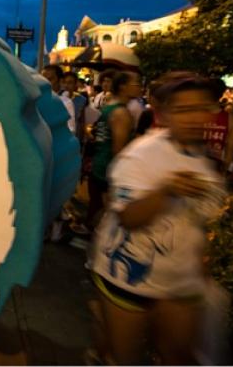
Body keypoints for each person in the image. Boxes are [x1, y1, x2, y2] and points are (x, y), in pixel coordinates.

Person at [89, 76, 225, 365]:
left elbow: (199, 221)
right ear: (165, 114)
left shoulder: (206, 158)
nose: (195, 117)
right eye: (183, 110)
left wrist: (204, 260)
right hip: (126, 278)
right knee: (126, 357)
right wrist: (167, 190)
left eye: (202, 108)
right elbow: (127, 217)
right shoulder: (141, 155)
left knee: (178, 356)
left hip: (180, 282)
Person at [85, 71, 141, 231]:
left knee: (97, 213)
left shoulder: (110, 107)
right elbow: (119, 150)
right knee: (107, 219)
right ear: (123, 87)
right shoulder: (121, 113)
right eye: (136, 84)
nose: (140, 87)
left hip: (100, 165)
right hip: (109, 171)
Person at [41, 65, 76, 134]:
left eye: (50, 79)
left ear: (60, 81)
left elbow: (71, 129)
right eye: (42, 79)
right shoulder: (37, 99)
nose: (45, 83)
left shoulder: (66, 102)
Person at [62, 71, 88, 142]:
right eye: (64, 82)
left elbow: (82, 120)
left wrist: (84, 135)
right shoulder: (58, 98)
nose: (66, 85)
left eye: (70, 83)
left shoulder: (81, 99)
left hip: (75, 136)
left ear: (75, 84)